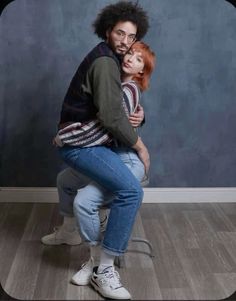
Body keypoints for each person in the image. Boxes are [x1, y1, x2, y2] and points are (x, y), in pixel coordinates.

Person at [46, 1, 150, 299]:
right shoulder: (105, 62)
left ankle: (68, 231)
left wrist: (141, 116)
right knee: (132, 192)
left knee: (67, 181)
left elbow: (123, 107)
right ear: (108, 31)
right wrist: (141, 147)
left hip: (80, 142)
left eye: (131, 37)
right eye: (120, 33)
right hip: (82, 146)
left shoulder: (111, 61)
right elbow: (112, 117)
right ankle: (103, 269)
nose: (125, 42)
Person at [70, 42, 155, 295]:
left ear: (142, 71)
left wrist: (69, 135)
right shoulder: (114, 83)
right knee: (78, 197)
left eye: (139, 59)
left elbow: (109, 123)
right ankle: (94, 261)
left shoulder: (129, 89)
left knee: (89, 200)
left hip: (127, 159)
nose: (131, 59)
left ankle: (105, 268)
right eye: (130, 53)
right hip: (111, 156)